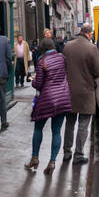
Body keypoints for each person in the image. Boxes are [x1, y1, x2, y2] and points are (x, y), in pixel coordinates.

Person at [28, 37, 72, 175]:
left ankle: (35, 157)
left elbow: (39, 84)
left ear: (42, 49)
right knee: (57, 131)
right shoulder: (62, 58)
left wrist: (33, 80)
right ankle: (52, 161)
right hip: (63, 98)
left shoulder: (42, 61)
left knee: (38, 128)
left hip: (47, 99)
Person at [61, 21, 99, 166]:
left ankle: (67, 152)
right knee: (83, 124)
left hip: (69, 91)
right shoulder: (92, 48)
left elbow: (63, 67)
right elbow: (97, 72)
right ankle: (78, 154)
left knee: (70, 123)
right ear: (89, 33)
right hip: (86, 92)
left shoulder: (68, 46)